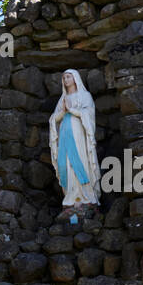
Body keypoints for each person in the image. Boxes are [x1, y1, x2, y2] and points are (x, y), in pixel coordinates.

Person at [48, 68, 101, 222]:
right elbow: (54, 118)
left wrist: (73, 110)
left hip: (78, 134)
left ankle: (86, 197)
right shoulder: (63, 99)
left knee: (80, 160)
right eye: (64, 78)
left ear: (75, 78)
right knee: (65, 163)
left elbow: (89, 114)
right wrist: (64, 112)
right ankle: (71, 197)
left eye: (68, 77)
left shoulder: (85, 96)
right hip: (64, 133)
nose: (66, 80)